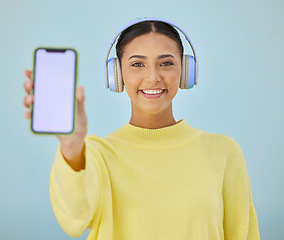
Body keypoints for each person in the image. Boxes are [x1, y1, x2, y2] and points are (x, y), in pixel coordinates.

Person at [23, 18, 260, 240]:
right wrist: (71, 148)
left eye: (166, 63)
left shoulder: (224, 152)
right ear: (117, 75)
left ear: (185, 71)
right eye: (137, 64)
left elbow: (244, 233)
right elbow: (73, 221)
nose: (153, 77)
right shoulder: (96, 155)